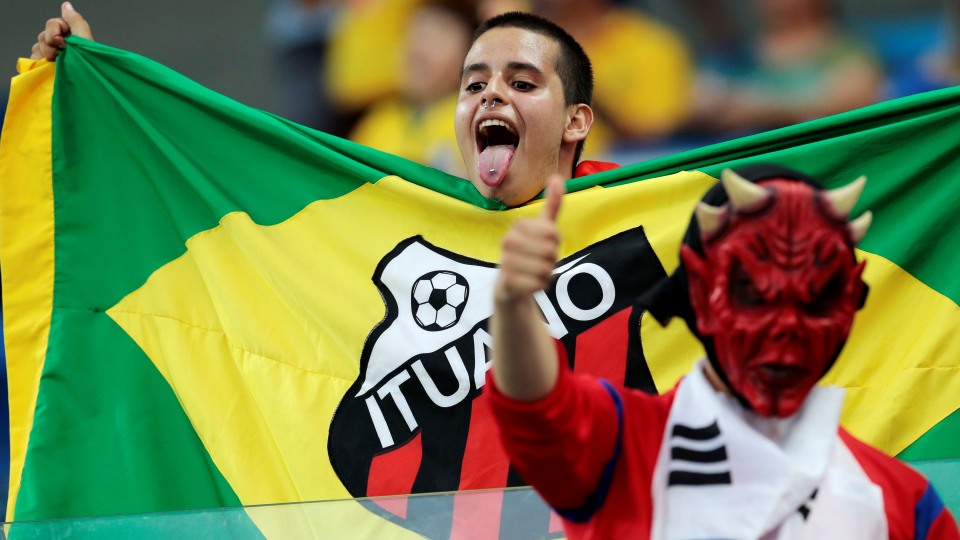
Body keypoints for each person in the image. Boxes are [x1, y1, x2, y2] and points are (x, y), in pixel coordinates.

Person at [488, 164, 960, 538]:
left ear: (851, 300)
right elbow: (536, 407)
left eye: (816, 298)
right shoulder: (623, 445)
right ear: (698, 292)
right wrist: (511, 306)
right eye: (754, 294)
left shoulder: (905, 503)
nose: (787, 326)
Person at [34, 6, 615, 209]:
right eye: (476, 83)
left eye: (522, 83)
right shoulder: (376, 128)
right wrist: (101, 90)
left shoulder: (632, 211)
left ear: (575, 121)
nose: (491, 94)